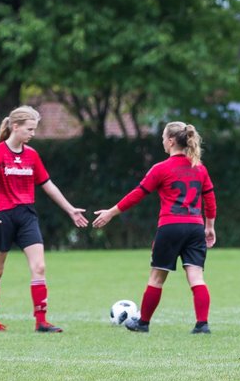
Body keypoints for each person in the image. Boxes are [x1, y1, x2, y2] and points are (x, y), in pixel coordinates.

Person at [92, 122, 218, 333]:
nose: (161, 140)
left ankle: (143, 323)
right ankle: (202, 324)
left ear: (170, 141)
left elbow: (137, 194)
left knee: (156, 278)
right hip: (195, 227)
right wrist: (210, 227)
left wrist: (111, 212)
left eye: (162, 137)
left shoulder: (161, 168)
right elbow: (211, 200)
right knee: (196, 277)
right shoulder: (200, 168)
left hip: (170, 227)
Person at [0, 106, 89, 332]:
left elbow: (48, 185)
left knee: (39, 266)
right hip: (3, 216)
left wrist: (70, 209)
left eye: (34, 129)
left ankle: (41, 321)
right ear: (15, 126)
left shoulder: (32, 155)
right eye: (29, 129)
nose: (32, 134)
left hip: (26, 216)